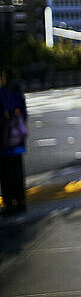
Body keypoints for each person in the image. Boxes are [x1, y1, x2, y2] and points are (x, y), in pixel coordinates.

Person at [0, 66, 28, 216]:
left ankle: (10, 202)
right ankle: (21, 200)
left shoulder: (4, 92)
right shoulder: (18, 91)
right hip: (17, 140)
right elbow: (23, 114)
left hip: (4, 141)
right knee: (17, 171)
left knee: (5, 173)